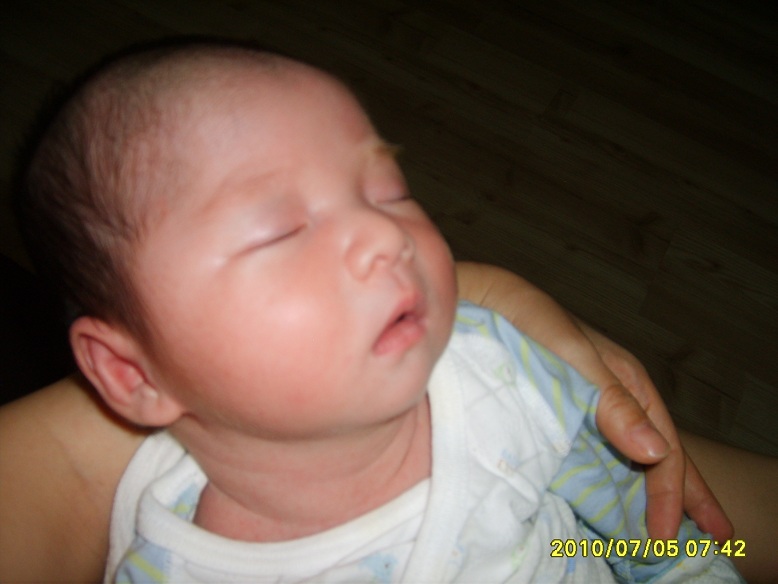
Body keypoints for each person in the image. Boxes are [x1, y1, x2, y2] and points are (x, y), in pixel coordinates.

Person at [11, 40, 744, 582]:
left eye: (388, 191)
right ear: (133, 374)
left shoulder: (502, 374)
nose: (387, 235)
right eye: (280, 230)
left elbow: (658, 545)